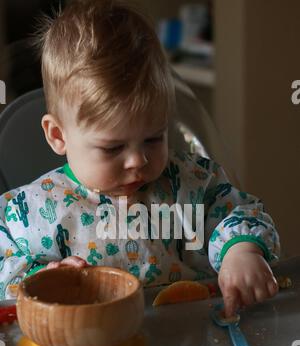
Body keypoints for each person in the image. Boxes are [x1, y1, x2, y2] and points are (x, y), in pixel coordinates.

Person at [0, 0, 280, 317]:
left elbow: (238, 212)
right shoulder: (33, 212)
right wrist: (43, 280)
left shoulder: (193, 184)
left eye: (153, 138)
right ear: (58, 136)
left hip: (195, 337)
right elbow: (5, 265)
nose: (137, 160)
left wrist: (241, 252)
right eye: (113, 148)